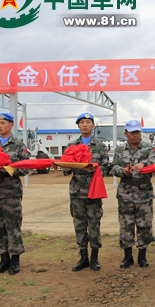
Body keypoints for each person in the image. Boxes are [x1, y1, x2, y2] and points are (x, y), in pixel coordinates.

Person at [110, 119, 155, 268]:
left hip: (144, 193)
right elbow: (113, 167)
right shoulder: (120, 150)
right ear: (126, 133)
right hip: (125, 193)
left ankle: (142, 256)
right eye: (132, 132)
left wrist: (144, 164)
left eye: (137, 132)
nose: (135, 135)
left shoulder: (148, 148)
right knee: (126, 225)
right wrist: (122, 171)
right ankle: (128, 257)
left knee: (144, 225)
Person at [65, 112, 109, 272]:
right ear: (78, 126)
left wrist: (95, 169)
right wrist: (68, 166)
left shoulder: (100, 146)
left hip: (93, 190)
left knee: (94, 224)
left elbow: (106, 167)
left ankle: (94, 258)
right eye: (82, 122)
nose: (85, 125)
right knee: (79, 224)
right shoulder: (71, 146)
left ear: (93, 126)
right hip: (76, 191)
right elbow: (66, 169)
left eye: (88, 122)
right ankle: (83, 257)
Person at [0, 113, 30, 276]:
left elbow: (26, 169)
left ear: (11, 125)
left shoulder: (19, 146)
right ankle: (3, 259)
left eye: (3, 123)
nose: (0, 126)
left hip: (11, 192)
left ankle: (15, 259)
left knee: (13, 226)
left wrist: (9, 169)